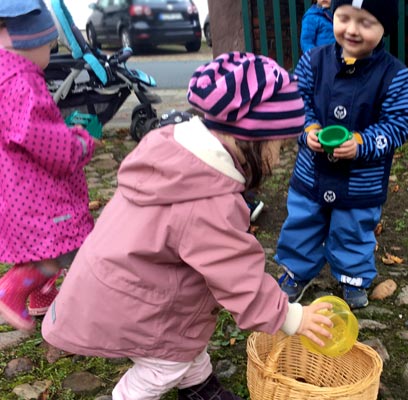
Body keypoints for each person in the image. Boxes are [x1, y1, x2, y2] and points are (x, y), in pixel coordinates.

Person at [42, 52, 334, 400]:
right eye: (280, 146)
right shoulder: (207, 201)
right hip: (134, 304)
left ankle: (199, 387)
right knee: (165, 363)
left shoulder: (176, 151)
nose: (279, 157)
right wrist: (290, 315)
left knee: (184, 341)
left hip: (120, 283)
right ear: (252, 139)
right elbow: (237, 275)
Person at [275, 0, 408, 309]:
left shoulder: (395, 75)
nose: (352, 30)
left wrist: (362, 143)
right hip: (311, 172)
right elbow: (295, 100)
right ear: (332, 16)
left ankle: (353, 276)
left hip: (360, 181)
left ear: (384, 28)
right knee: (302, 221)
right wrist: (308, 129)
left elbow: (400, 122)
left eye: (366, 23)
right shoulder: (313, 61)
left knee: (353, 229)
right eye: (344, 18)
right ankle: (295, 272)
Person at [0, 0, 96, 331]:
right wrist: (80, 143)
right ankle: (13, 289)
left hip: (12, 185)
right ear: (26, 42)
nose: (50, 56)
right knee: (65, 248)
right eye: (49, 47)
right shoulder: (22, 84)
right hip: (37, 192)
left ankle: (42, 296)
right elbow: (49, 145)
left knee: (40, 244)